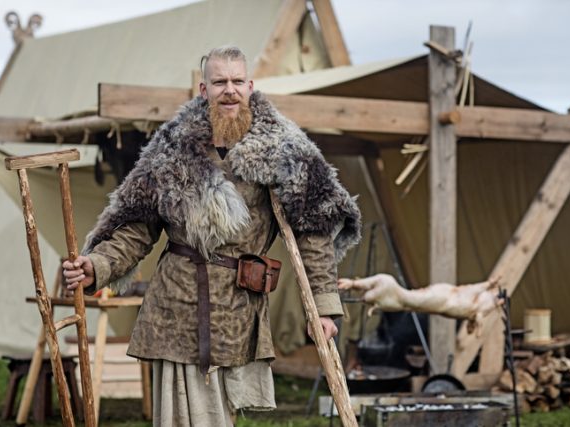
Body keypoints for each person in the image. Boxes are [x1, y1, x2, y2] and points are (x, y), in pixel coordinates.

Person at [63, 46, 361, 426]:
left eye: (237, 81)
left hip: (238, 306)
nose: (229, 90)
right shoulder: (172, 147)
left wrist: (323, 307)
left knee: (222, 415)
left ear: (250, 86)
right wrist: (98, 264)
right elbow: (138, 227)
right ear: (204, 90)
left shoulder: (284, 147)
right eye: (220, 82)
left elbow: (314, 230)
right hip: (178, 303)